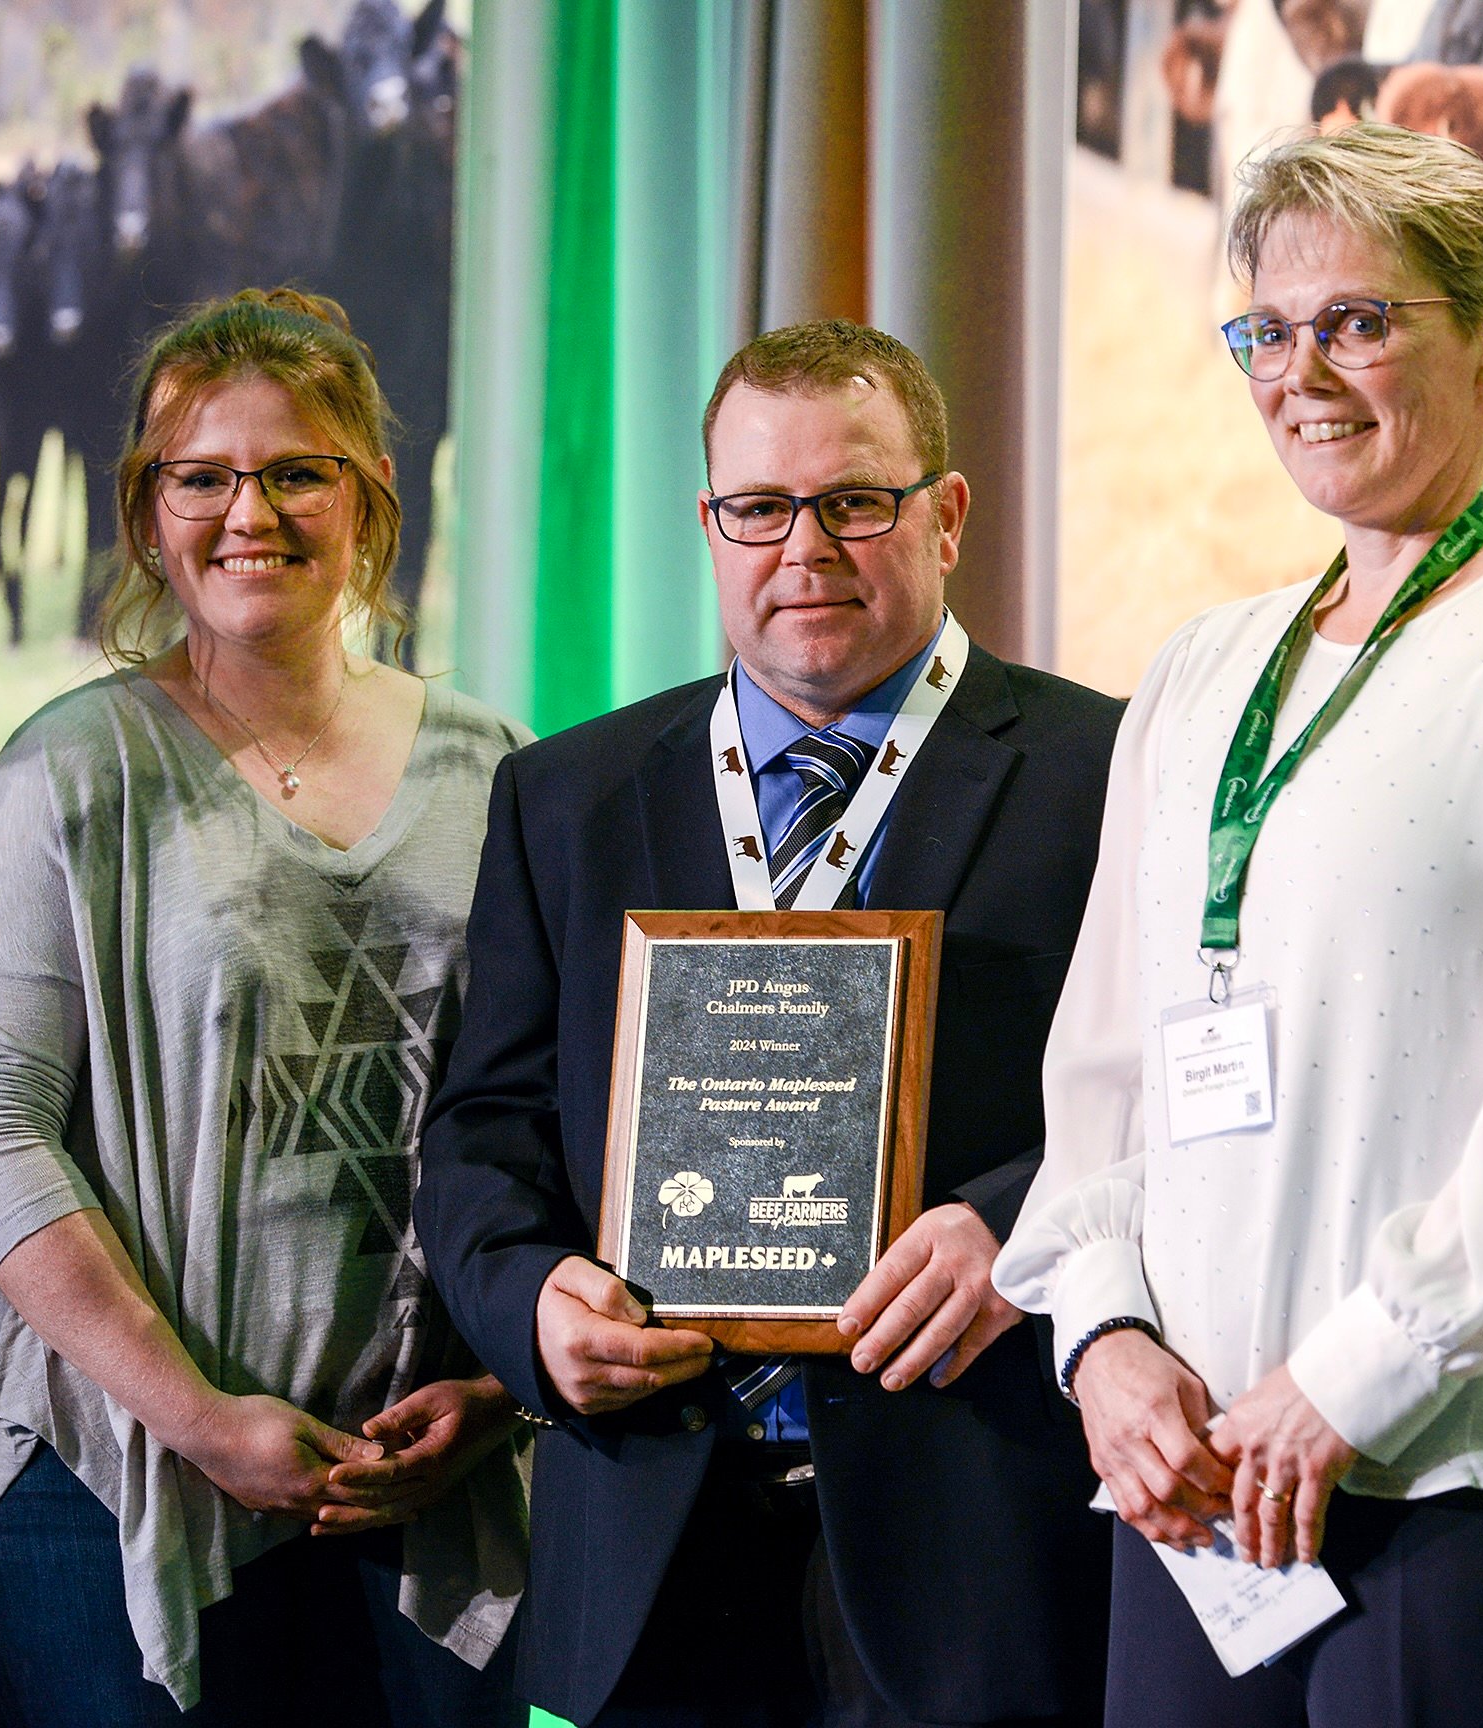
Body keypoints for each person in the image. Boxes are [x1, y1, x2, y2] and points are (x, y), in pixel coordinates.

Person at [993, 123, 1483, 1728]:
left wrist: (1338, 1388)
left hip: (1471, 1482)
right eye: (1266, 330)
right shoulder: (1200, 669)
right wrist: (1102, 1341)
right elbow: (1105, 1075)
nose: (1300, 373)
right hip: (1195, 1491)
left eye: (1356, 323)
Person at [415, 319, 1124, 1728]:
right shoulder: (566, 796)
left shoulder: (1108, 770)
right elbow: (479, 1132)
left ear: (947, 512)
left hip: (978, 1542)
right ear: (708, 522)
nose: (804, 547)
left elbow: (1172, 1105)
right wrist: (532, 1308)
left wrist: (1014, 1232)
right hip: (659, 1540)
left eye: (855, 500)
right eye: (758, 507)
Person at [0, 287, 529, 1727]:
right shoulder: (65, 775)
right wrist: (197, 1419)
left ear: (369, 502)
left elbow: (559, 1123)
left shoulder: (503, 771)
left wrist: (499, 1396)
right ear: (146, 516)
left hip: (414, 1491)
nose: (246, 511)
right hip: (113, 1487)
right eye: (200, 477)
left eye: (295, 471)